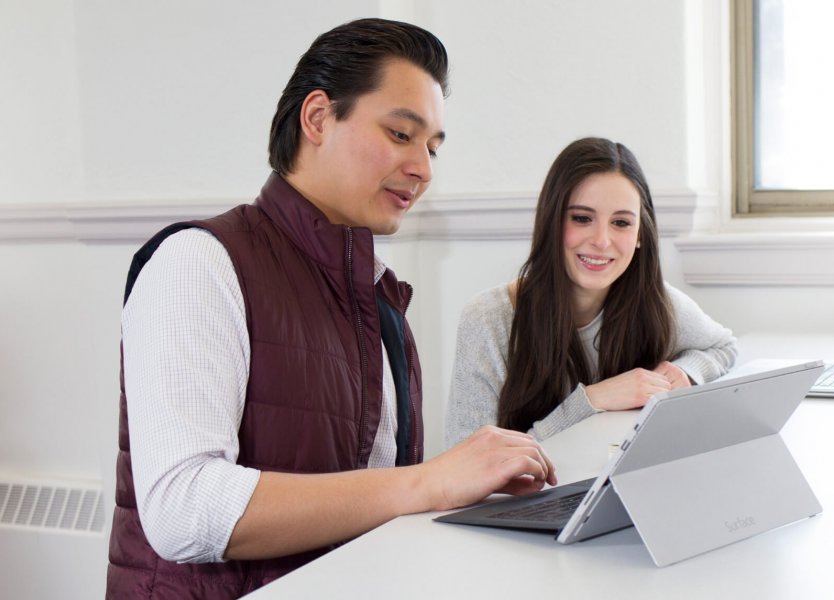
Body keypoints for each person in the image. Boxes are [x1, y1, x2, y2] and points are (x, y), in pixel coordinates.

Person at [107, 18, 556, 599]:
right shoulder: (198, 262)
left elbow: (374, 498)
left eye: (433, 148)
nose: (423, 167)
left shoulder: (379, 296)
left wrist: (471, 489)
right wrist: (428, 483)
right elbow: (182, 509)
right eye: (401, 134)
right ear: (318, 118)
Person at [445, 137, 737, 447]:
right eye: (582, 218)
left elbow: (723, 347)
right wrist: (593, 400)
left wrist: (683, 372)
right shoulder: (489, 319)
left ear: (640, 234)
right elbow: (466, 464)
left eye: (621, 222)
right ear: (552, 222)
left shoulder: (656, 301)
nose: (601, 240)